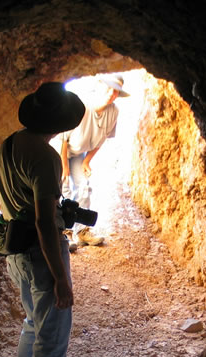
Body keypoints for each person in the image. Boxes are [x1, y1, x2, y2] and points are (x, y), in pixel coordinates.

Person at [0, 82, 85, 357]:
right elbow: (45, 222)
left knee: (34, 322)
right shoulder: (45, 158)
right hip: (40, 252)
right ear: (60, 123)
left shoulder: (9, 145)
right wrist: (61, 277)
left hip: (14, 250)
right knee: (53, 333)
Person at [59, 73, 130, 248]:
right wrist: (64, 167)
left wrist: (86, 161)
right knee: (64, 187)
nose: (111, 94)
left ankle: (82, 231)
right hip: (61, 150)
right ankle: (63, 233)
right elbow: (62, 138)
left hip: (79, 153)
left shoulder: (113, 112)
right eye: (109, 89)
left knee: (84, 185)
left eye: (116, 92)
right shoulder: (83, 105)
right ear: (100, 86)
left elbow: (103, 137)